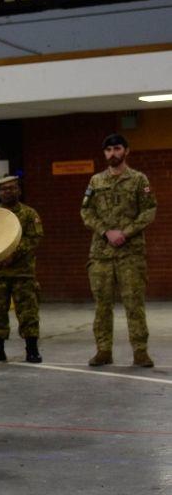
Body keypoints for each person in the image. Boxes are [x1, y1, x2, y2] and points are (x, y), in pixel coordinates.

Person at [82, 133, 157, 367]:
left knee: (134, 304)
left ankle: (140, 352)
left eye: (116, 149)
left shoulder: (138, 180)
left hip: (130, 254)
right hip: (101, 255)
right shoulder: (96, 181)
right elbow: (86, 212)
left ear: (126, 151)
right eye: (108, 150)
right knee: (102, 306)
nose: (112, 153)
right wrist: (106, 231)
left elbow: (149, 210)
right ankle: (103, 351)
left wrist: (125, 232)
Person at [0, 175, 45, 364]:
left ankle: (32, 350)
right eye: (3, 189)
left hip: (22, 273)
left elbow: (34, 238)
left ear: (19, 190)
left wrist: (12, 254)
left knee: (28, 312)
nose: (8, 192)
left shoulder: (28, 214)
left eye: (12, 188)